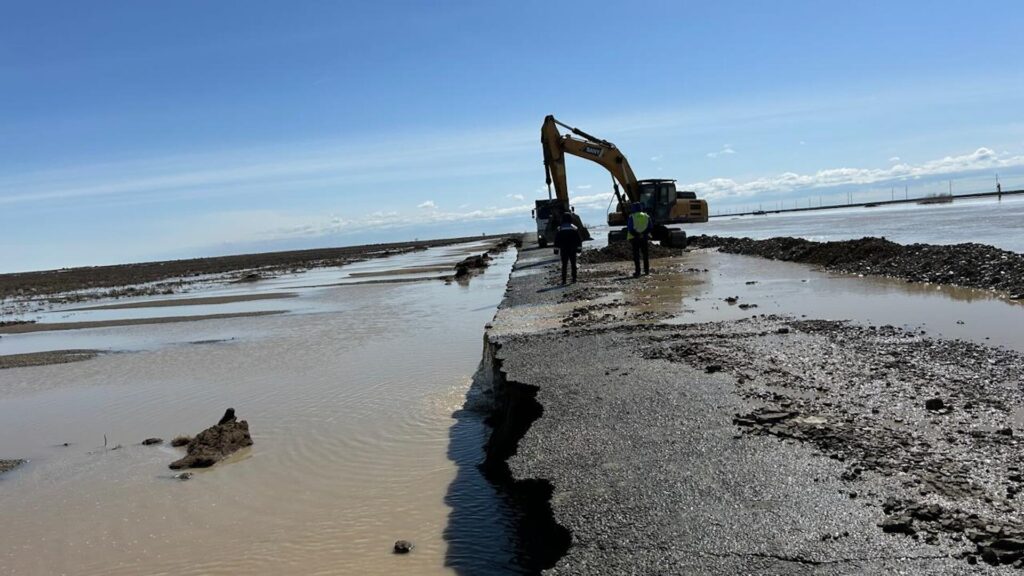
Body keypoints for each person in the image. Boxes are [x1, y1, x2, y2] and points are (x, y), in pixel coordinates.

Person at [553, 212, 582, 285]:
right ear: (570, 219)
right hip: (573, 249)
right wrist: (579, 249)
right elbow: (578, 239)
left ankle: (564, 280)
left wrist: (556, 250)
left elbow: (557, 240)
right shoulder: (574, 228)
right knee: (573, 264)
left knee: (564, 265)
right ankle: (574, 279)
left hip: (564, 249)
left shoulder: (560, 229)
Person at [627, 202, 651, 277]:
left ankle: (638, 272)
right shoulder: (646, 216)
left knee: (636, 256)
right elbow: (650, 227)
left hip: (635, 238)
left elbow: (630, 228)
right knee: (645, 255)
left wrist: (637, 234)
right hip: (644, 238)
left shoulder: (632, 217)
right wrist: (643, 234)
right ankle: (647, 271)